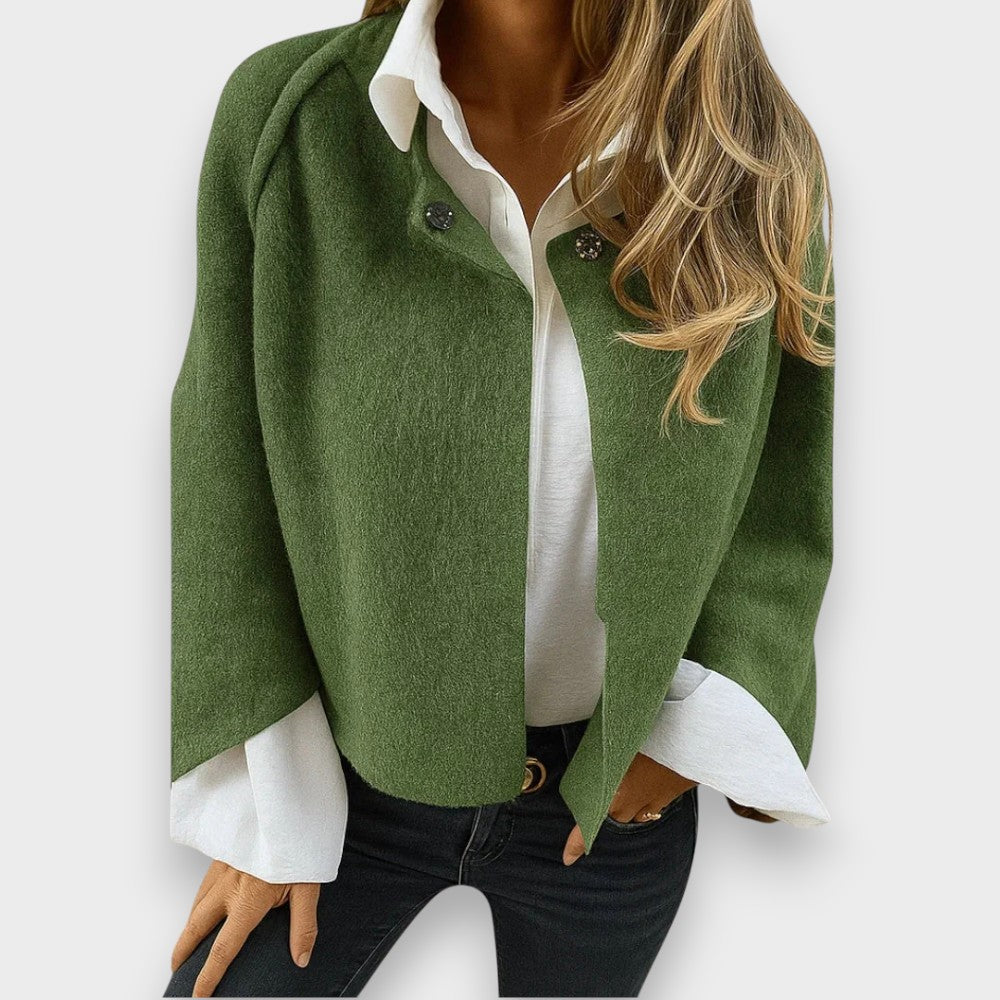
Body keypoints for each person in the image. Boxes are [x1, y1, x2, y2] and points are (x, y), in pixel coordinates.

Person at [164, 0, 836, 996]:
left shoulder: (747, 156)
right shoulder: (295, 120)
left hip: (606, 805)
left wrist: (686, 741)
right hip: (341, 779)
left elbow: (781, 487)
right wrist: (269, 817)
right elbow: (225, 472)